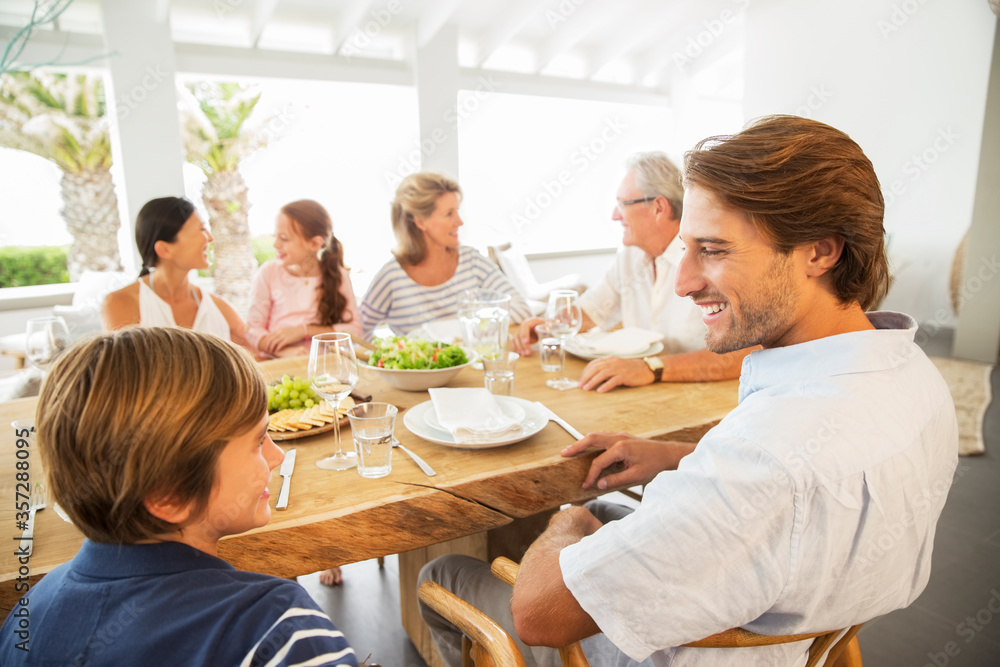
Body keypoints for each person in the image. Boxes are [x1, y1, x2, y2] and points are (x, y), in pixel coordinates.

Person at [419, 115, 959, 666]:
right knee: (609, 509)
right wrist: (680, 457)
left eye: (715, 249)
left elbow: (539, 614)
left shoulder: (765, 456)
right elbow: (808, 488)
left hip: (684, 654)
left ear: (820, 251)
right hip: (806, 636)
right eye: (688, 248)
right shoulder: (920, 382)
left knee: (445, 573)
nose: (684, 280)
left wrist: (567, 521)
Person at [0, 327, 359, 666]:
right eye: (257, 441)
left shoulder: (25, 616)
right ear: (170, 494)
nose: (277, 456)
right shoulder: (277, 627)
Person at [514, 152, 751, 393]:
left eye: (623, 204)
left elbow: (743, 354)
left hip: (704, 394)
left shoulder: (712, 258)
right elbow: (592, 310)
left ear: (659, 207)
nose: (614, 215)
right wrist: (549, 325)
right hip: (646, 391)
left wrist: (651, 368)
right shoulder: (631, 255)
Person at [360, 172, 531, 340]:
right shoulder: (392, 276)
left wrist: (461, 326)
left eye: (457, 211)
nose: (459, 222)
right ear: (421, 222)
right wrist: (392, 353)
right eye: (449, 214)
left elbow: (521, 309)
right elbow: (358, 335)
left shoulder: (471, 260)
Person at [101, 196, 254, 354]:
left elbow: (260, 358)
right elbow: (122, 373)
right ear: (165, 249)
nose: (210, 238)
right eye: (201, 229)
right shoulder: (120, 304)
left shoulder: (220, 309)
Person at [248, 199, 363, 358]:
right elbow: (253, 329)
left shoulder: (338, 276)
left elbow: (355, 330)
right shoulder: (268, 273)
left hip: (325, 367)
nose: (275, 244)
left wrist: (304, 331)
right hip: (279, 367)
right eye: (275, 236)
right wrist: (285, 352)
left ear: (315, 244)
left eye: (284, 238)